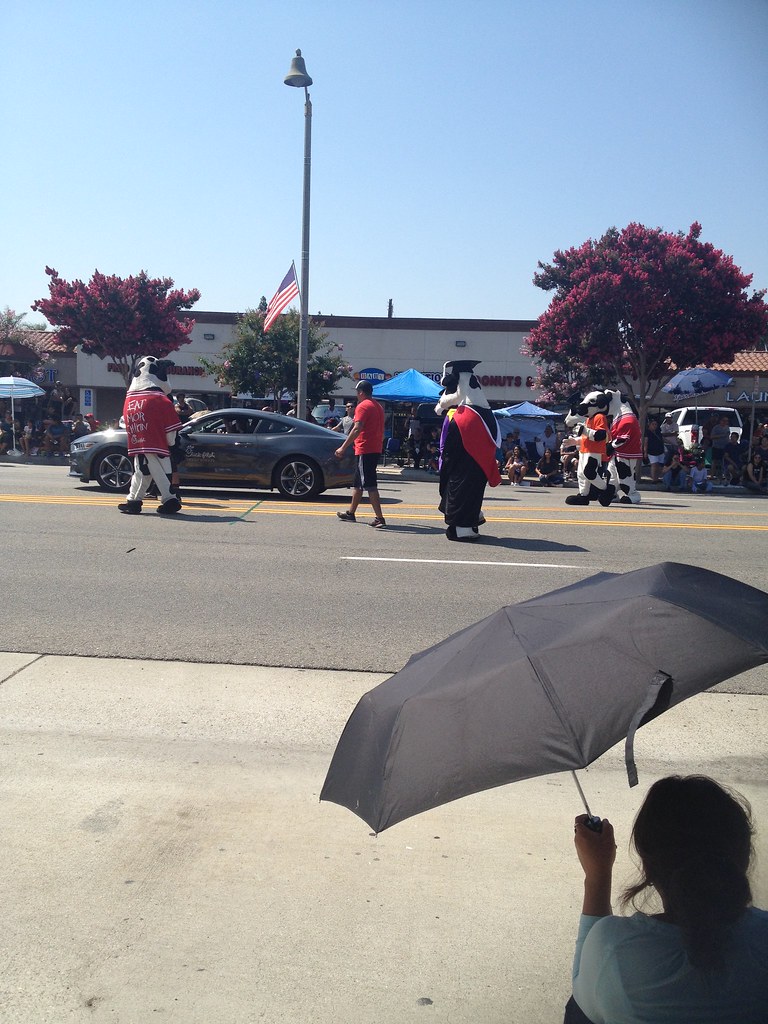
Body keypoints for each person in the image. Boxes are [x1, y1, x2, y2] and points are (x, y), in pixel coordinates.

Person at [567, 775, 768, 1024]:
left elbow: (582, 1001)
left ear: (648, 869)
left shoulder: (615, 950)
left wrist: (597, 876)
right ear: (744, 856)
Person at [334, 380, 387, 528]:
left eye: (357, 392)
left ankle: (379, 518)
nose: (356, 394)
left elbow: (357, 428)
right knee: (358, 483)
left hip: (366, 449)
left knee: (369, 484)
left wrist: (343, 447)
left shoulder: (363, 406)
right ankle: (351, 513)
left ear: (361, 392)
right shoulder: (377, 406)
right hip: (374, 448)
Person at [643, 417, 666, 483]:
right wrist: (645, 452)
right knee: (654, 464)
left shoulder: (658, 432)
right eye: (653, 424)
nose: (654, 426)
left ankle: (657, 478)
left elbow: (662, 440)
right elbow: (646, 442)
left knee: (660, 465)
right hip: (652, 451)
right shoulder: (647, 432)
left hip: (660, 451)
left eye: (655, 424)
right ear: (649, 425)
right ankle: (654, 479)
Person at [709, 415, 731, 480]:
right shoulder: (716, 428)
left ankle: (723, 475)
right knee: (714, 462)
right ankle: (712, 475)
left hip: (724, 447)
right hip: (716, 447)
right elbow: (712, 437)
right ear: (720, 421)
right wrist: (722, 435)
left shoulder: (727, 427)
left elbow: (727, 436)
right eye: (724, 420)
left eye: (726, 421)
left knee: (723, 462)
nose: (725, 422)